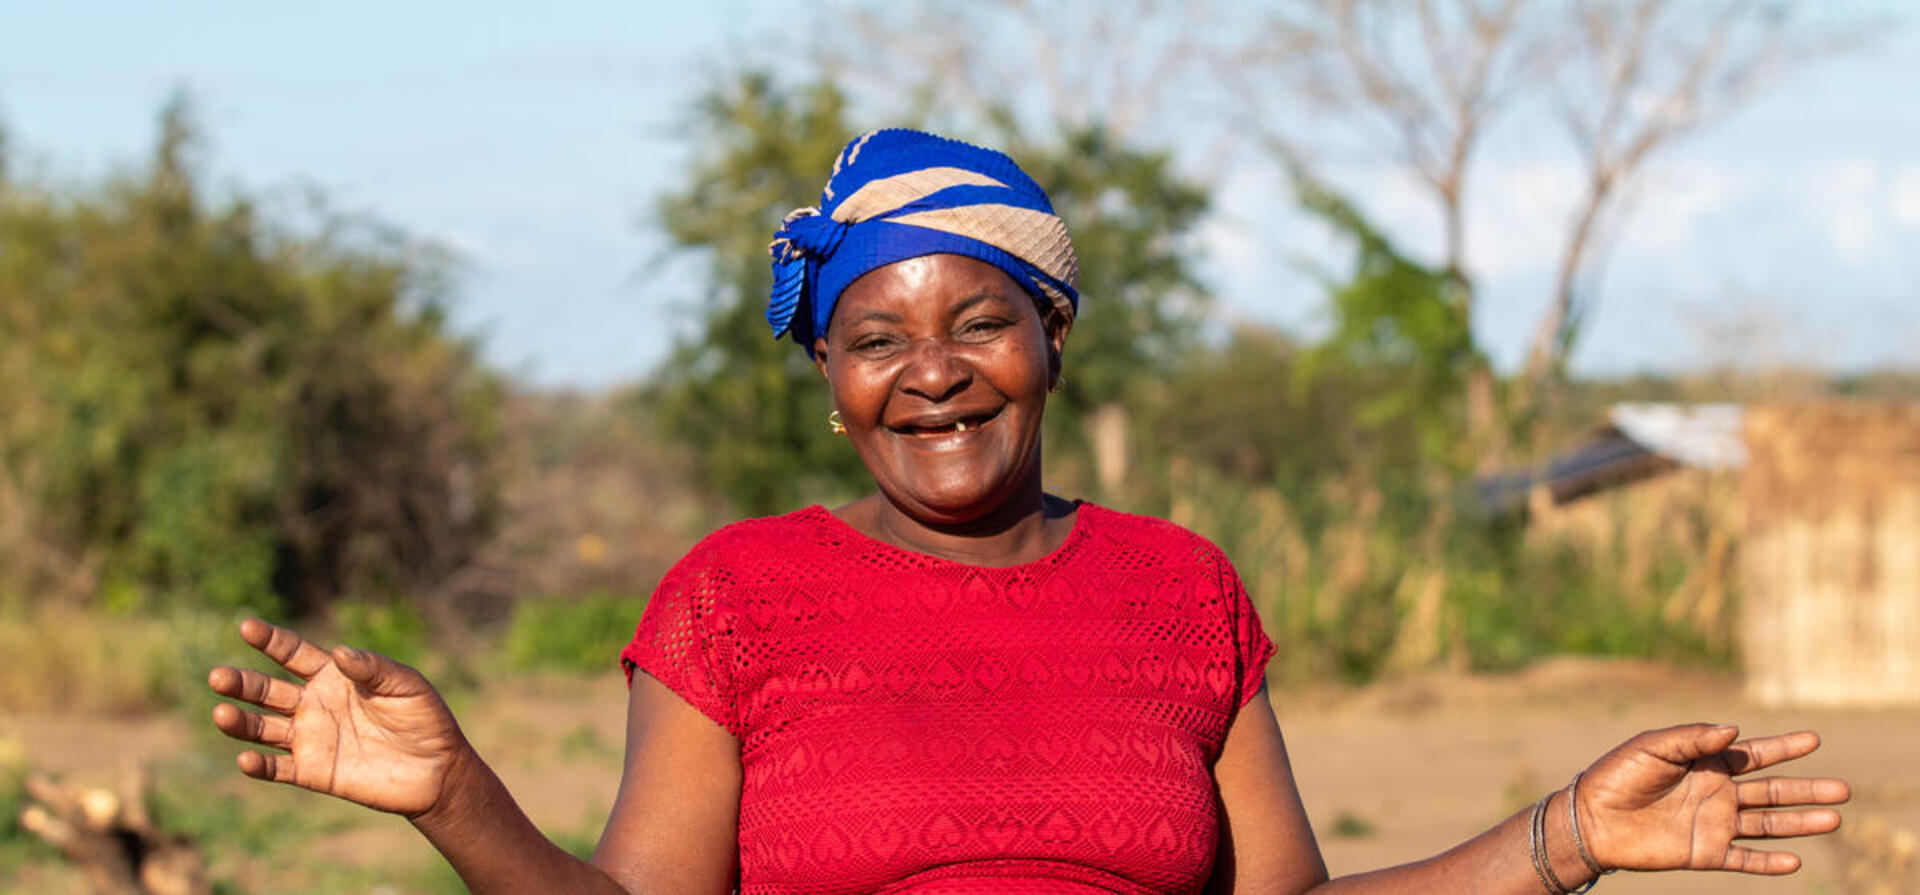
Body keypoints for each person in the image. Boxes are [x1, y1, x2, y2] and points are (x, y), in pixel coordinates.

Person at [208, 129, 1850, 895]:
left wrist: (1564, 838)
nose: (932, 374)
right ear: (831, 377)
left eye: (978, 321)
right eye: (876, 339)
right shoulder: (735, 595)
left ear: (1053, 336)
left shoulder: (1180, 588)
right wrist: (455, 800)